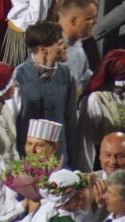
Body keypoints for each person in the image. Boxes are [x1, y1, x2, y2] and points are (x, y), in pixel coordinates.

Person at [12, 21, 77, 159]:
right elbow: (11, 126)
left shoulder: (66, 74)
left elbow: (71, 120)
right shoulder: (17, 77)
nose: (65, 46)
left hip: (60, 161)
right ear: (44, 49)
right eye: (60, 43)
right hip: (26, 162)